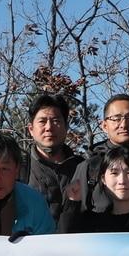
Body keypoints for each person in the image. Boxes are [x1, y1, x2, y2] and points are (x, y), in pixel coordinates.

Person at [66, 95, 129, 213]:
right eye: (116, 118)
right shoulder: (89, 166)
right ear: (104, 126)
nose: (123, 124)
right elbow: (74, 214)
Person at [20, 92, 83, 221]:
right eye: (42, 121)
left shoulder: (83, 168)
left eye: (56, 121)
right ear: (31, 129)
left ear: (66, 127)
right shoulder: (18, 167)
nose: (49, 127)